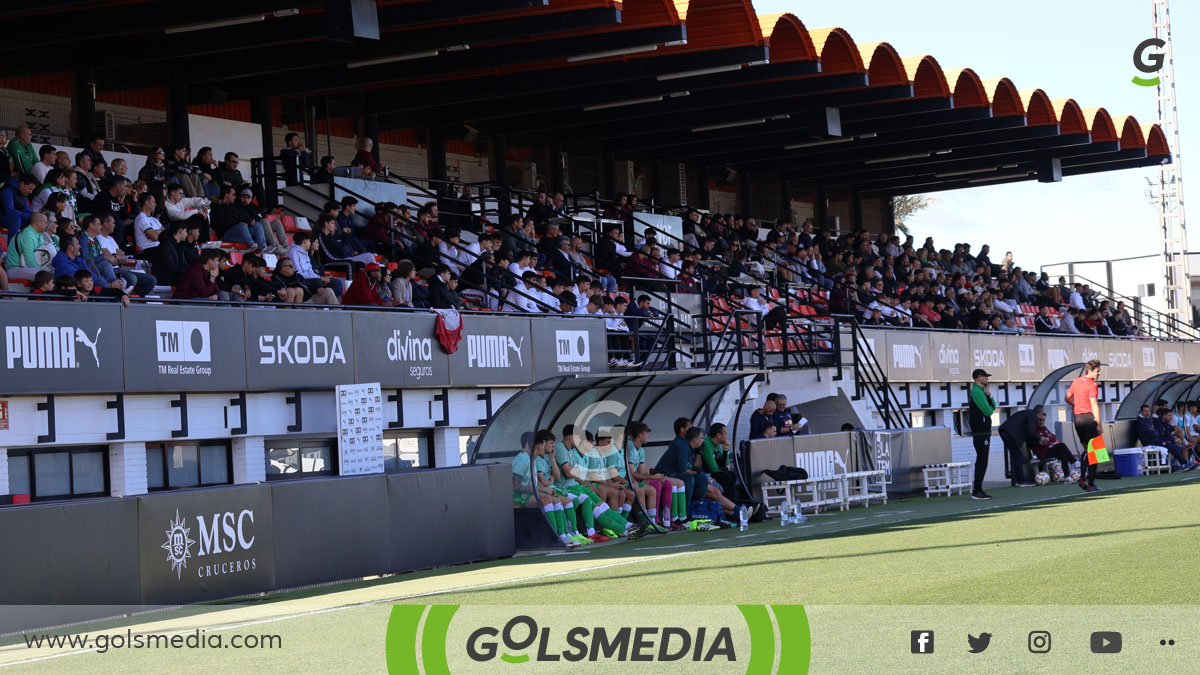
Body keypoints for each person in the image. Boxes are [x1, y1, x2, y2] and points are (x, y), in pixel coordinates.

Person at [625, 421, 687, 531]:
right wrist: (653, 477)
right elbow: (631, 474)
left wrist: (654, 476)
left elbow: (642, 472)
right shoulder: (629, 447)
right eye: (646, 433)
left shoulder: (641, 450)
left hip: (636, 479)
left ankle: (668, 521)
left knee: (667, 483)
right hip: (629, 480)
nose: (648, 436)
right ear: (640, 435)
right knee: (655, 484)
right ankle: (653, 521)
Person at [1066, 360, 1103, 492]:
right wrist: (1099, 424)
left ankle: (1083, 479)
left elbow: (1067, 397)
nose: (1099, 373)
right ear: (1090, 370)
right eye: (1098, 370)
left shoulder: (1076, 381)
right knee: (1095, 453)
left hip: (1078, 420)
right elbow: (1094, 405)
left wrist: (1075, 405)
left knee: (1087, 450)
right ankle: (1090, 483)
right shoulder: (1092, 385)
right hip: (1088, 419)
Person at [967, 368, 996, 500]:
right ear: (979, 378)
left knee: (983, 460)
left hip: (983, 431)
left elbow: (994, 406)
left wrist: (989, 395)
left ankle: (978, 489)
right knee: (982, 460)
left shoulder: (982, 392)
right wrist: (988, 401)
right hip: (980, 431)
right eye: (985, 377)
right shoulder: (976, 392)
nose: (987, 379)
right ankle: (977, 490)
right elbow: (988, 411)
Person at [998, 406, 1041, 487]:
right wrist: (1040, 438)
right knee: (1017, 455)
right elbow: (1030, 431)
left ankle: (1017, 479)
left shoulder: (1027, 413)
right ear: (1039, 414)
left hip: (1005, 431)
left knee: (1015, 455)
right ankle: (1021, 481)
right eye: (1042, 415)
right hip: (1009, 433)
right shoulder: (1033, 415)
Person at [1032, 409, 1076, 478]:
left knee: (1063, 454)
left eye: (1043, 420)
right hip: (1043, 452)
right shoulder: (1034, 429)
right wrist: (1047, 439)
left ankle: (1067, 477)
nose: (1041, 422)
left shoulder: (1044, 428)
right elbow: (1043, 442)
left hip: (1048, 449)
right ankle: (1073, 461)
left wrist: (1047, 439)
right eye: (1040, 420)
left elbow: (1053, 438)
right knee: (1062, 445)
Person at [0, 173, 37, 239]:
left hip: (10, 216)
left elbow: (27, 209)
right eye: (30, 189)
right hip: (2, 215)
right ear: (22, 184)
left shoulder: (23, 192)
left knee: (35, 219)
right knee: (16, 219)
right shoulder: (7, 191)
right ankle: (11, 245)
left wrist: (34, 215)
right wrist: (28, 215)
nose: (31, 192)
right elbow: (10, 211)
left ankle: (29, 242)